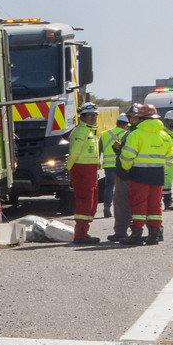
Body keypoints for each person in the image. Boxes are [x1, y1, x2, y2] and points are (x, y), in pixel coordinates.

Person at [123, 107, 173, 244]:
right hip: (157, 174)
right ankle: (154, 236)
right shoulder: (164, 135)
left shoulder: (136, 134)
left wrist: (126, 168)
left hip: (139, 174)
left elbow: (127, 156)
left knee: (139, 204)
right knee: (155, 205)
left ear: (141, 118)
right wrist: (159, 168)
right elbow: (170, 159)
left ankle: (136, 235)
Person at [67, 104, 104, 244]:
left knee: (92, 203)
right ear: (82, 117)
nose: (93, 117)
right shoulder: (81, 132)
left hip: (90, 172)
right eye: (90, 115)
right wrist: (69, 169)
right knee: (84, 202)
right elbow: (74, 153)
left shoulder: (91, 131)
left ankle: (84, 232)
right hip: (81, 171)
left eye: (95, 115)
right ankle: (80, 235)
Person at [104, 109, 136, 242]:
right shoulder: (135, 133)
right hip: (140, 171)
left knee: (117, 196)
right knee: (141, 201)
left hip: (116, 168)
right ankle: (153, 230)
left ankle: (107, 207)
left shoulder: (107, 133)